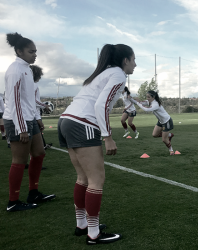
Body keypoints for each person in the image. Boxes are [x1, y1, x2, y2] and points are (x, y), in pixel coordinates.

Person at [57, 43, 136, 245]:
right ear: (125, 60)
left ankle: (82, 225)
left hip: (66, 120)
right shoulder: (118, 74)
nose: (135, 64)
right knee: (96, 180)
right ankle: (93, 234)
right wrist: (107, 136)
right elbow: (100, 104)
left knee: (82, 178)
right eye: (134, 60)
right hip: (83, 123)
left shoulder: (101, 73)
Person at [3, 32, 56, 212]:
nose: (35, 54)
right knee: (19, 160)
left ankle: (33, 192)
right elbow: (15, 101)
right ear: (19, 51)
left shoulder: (26, 68)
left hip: (29, 119)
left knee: (39, 154)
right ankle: (13, 202)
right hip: (17, 121)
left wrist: (36, 118)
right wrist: (22, 128)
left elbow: (27, 101)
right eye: (31, 51)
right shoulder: (15, 69)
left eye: (35, 51)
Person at [130, 90, 175, 155]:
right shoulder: (150, 102)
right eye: (147, 97)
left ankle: (171, 151)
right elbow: (139, 102)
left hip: (167, 121)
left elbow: (147, 109)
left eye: (148, 97)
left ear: (153, 97)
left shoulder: (155, 104)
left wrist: (139, 103)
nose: (147, 98)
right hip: (160, 121)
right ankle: (170, 135)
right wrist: (130, 98)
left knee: (164, 140)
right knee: (154, 135)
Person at [30, 65, 52, 150]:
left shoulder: (28, 85)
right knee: (37, 133)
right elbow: (34, 101)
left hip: (32, 114)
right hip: (33, 115)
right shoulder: (34, 85)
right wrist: (45, 106)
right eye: (40, 75)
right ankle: (41, 146)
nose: (40, 77)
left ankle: (41, 145)